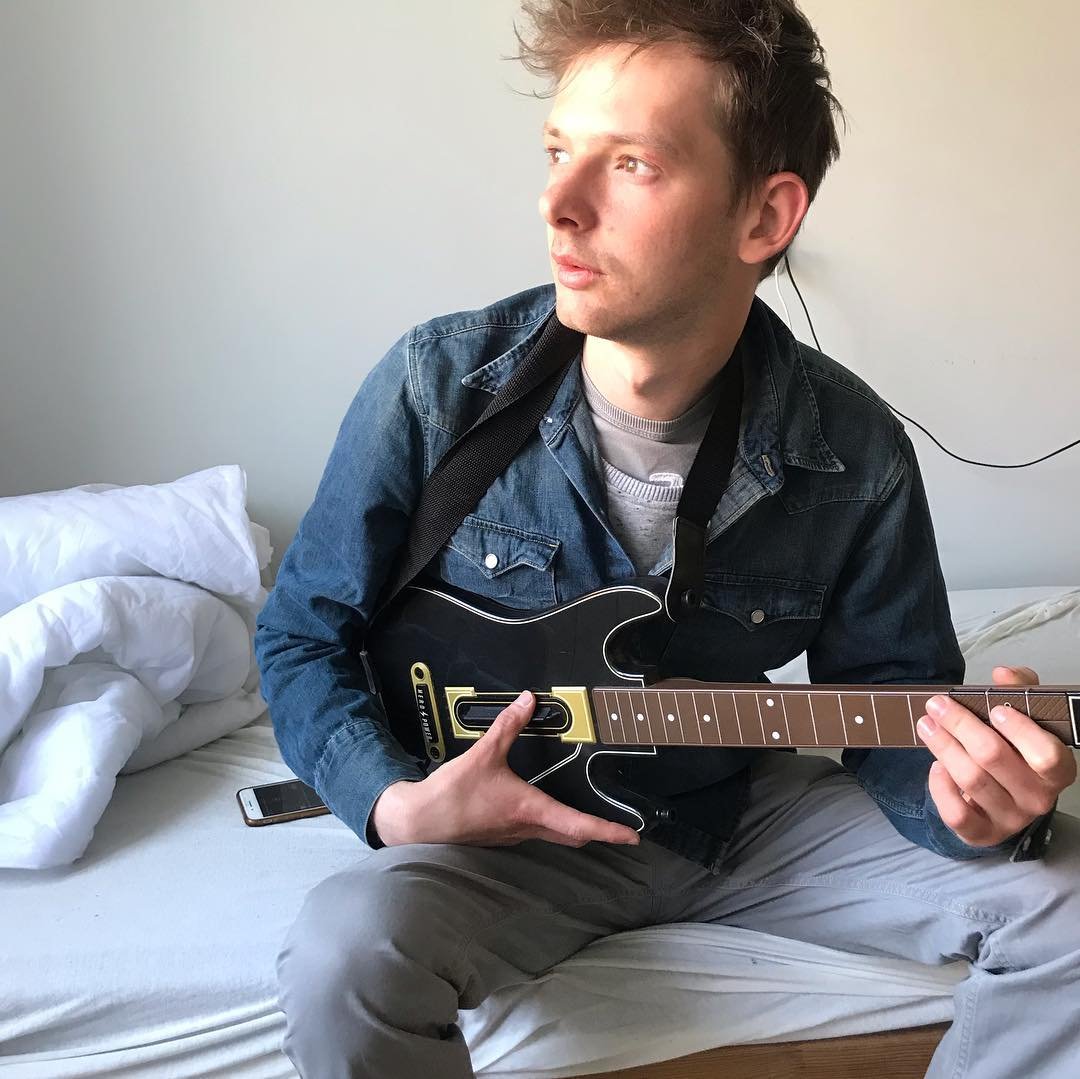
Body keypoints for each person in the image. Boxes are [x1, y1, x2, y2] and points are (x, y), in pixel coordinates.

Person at [254, 2, 1079, 1076]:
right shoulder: (437, 386)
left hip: (731, 812)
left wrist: (975, 806)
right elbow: (300, 635)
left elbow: (891, 702)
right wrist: (395, 800)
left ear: (764, 216)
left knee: (1066, 903)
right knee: (339, 956)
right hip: (512, 840)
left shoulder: (853, 443)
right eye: (559, 152)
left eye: (631, 163)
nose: (558, 206)